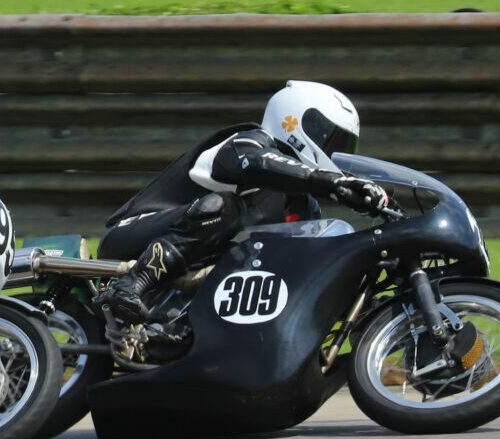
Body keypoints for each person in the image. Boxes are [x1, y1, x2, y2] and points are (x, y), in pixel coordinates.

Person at [94, 80, 392, 321]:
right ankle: (131, 284)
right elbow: (256, 163)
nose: (333, 150)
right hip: (132, 234)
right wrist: (333, 182)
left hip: (192, 276)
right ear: (297, 122)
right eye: (330, 138)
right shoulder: (247, 142)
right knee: (222, 208)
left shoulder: (302, 205)